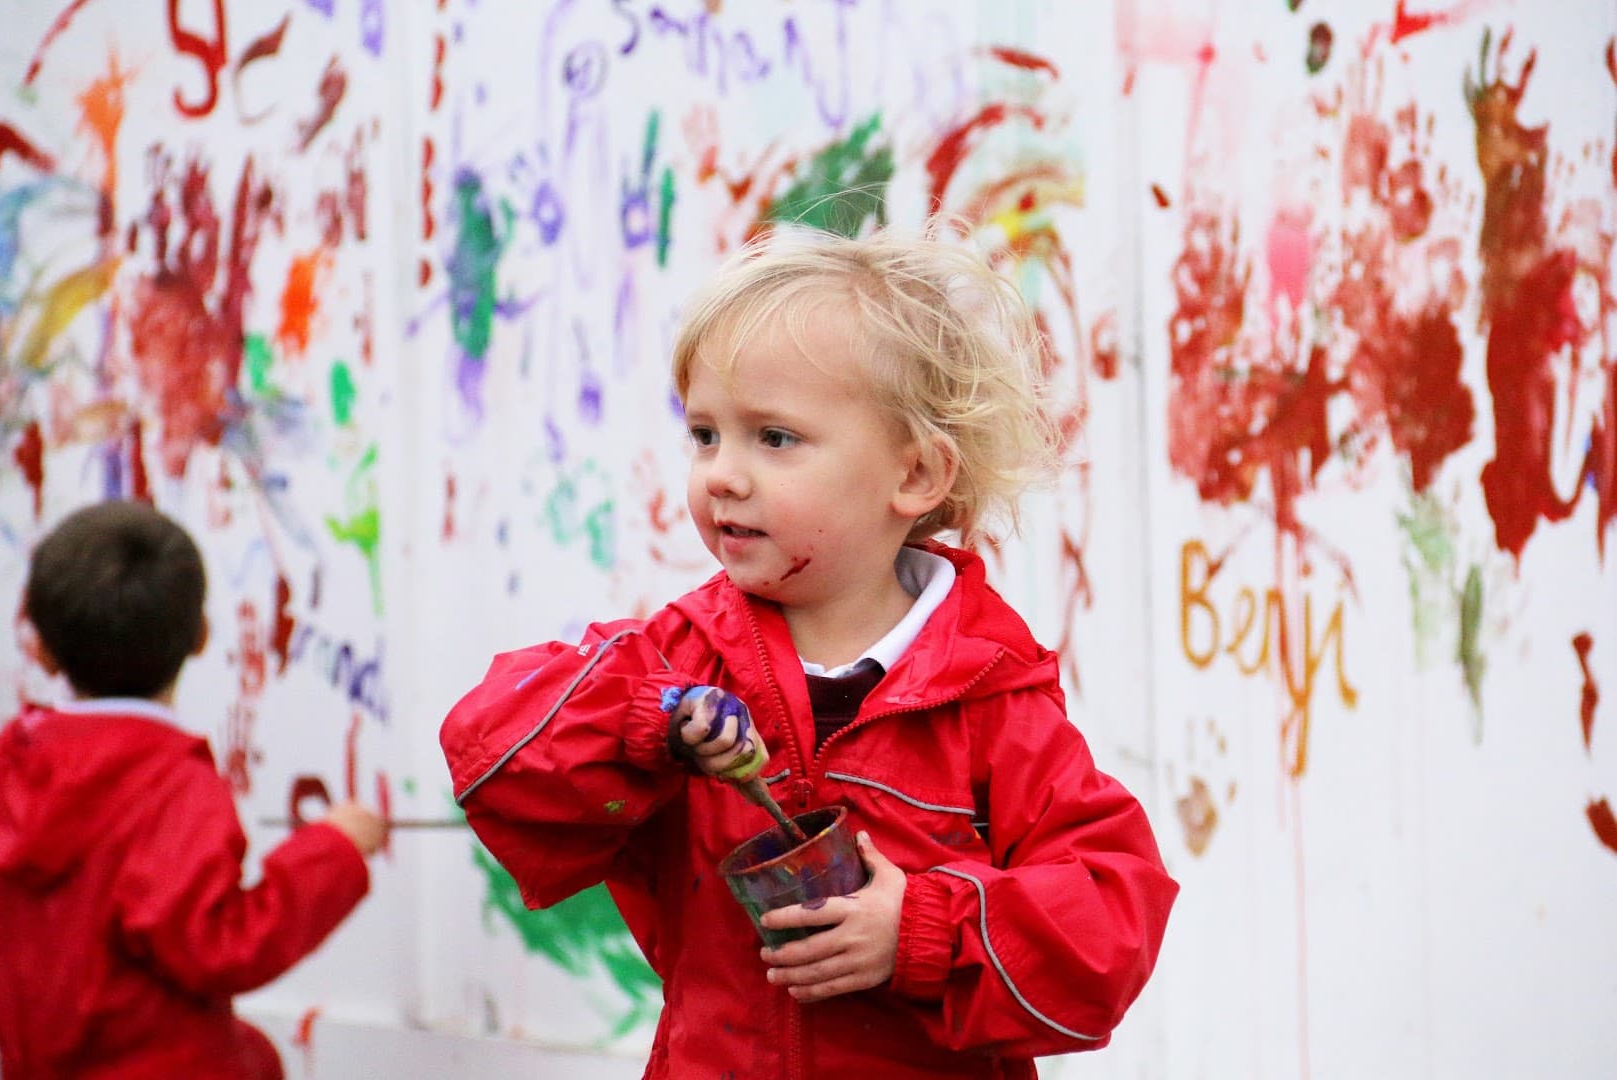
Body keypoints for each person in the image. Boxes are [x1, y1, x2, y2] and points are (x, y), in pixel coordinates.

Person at [441, 226, 1178, 1078]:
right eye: (706, 435)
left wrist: (921, 932)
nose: (721, 473)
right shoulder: (682, 657)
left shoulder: (988, 693)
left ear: (915, 476)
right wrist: (652, 725)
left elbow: (1110, 923)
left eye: (774, 438)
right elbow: (494, 754)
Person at [0, 501, 386, 1079]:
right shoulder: (172, 784)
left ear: (43, 647)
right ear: (201, 636)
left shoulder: (12, 768)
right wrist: (335, 848)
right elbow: (220, 945)